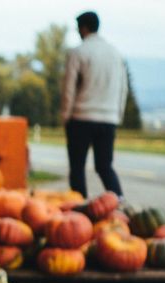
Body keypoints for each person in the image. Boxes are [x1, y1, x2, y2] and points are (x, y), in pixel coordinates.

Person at [61, 11, 127, 198]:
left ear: (83, 28)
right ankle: (119, 202)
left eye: (78, 29)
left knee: (77, 167)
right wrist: (117, 115)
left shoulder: (78, 52)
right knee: (105, 166)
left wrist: (66, 115)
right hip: (108, 118)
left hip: (82, 116)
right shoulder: (115, 53)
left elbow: (69, 88)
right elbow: (123, 88)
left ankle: (79, 207)